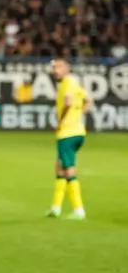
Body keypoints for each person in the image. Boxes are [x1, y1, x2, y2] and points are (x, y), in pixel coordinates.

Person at [47, 57, 91, 220]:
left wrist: (62, 120)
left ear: (66, 68)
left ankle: (79, 210)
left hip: (67, 133)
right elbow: (89, 100)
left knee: (68, 168)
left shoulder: (67, 83)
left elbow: (67, 102)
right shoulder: (75, 83)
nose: (55, 70)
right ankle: (55, 208)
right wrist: (78, 114)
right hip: (78, 131)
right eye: (54, 67)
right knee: (59, 167)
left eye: (58, 67)